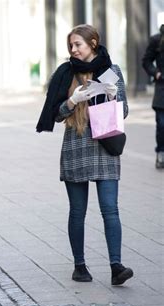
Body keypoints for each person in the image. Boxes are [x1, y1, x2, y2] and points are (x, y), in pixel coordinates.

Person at [36, 24, 133, 285]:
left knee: (110, 210)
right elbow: (55, 115)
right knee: (77, 211)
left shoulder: (112, 72)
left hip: (105, 148)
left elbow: (123, 114)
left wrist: (114, 97)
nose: (73, 50)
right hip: (76, 147)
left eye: (77, 44)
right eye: (71, 45)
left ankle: (116, 267)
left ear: (93, 43)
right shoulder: (65, 74)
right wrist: (73, 101)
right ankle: (79, 266)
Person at [142, 24, 164, 169]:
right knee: (162, 124)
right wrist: (156, 73)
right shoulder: (157, 39)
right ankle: (161, 152)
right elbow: (146, 61)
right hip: (162, 88)